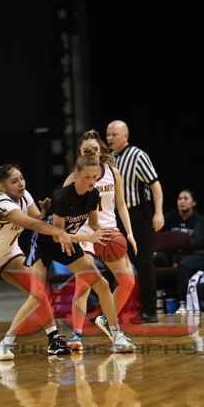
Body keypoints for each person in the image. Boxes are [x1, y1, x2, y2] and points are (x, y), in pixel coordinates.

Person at [0, 156, 136, 356]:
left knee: (102, 285)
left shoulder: (93, 194)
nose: (92, 181)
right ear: (76, 175)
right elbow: (58, 234)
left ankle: (117, 336)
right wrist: (88, 237)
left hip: (68, 244)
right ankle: (6, 342)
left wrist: (106, 235)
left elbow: (94, 224)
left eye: (95, 177)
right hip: (45, 243)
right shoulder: (62, 197)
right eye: (87, 177)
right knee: (37, 295)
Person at [0, 164, 77, 362]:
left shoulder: (24, 195)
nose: (21, 183)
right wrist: (59, 232)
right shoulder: (1, 203)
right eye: (14, 181)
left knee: (38, 291)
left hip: (9, 252)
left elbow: (36, 217)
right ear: (2, 186)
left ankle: (54, 339)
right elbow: (31, 224)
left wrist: (44, 212)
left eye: (21, 178)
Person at [63, 130, 137, 351]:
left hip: (109, 234)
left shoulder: (113, 173)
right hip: (85, 234)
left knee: (128, 281)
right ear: (80, 153)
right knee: (83, 284)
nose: (91, 153)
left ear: (101, 150)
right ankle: (77, 334)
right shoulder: (74, 178)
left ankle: (106, 318)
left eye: (94, 149)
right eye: (86, 150)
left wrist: (129, 233)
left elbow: (121, 204)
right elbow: (62, 210)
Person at [106, 119, 164, 323]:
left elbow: (155, 185)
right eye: (108, 134)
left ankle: (150, 311)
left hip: (139, 215)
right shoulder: (109, 159)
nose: (109, 138)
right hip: (116, 217)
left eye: (114, 134)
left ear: (125, 136)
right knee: (114, 265)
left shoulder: (138, 156)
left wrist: (159, 213)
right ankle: (114, 311)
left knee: (144, 263)